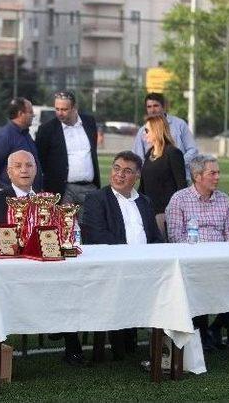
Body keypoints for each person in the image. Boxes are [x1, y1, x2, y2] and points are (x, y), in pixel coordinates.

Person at [83, 151, 162, 361]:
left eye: (127, 171)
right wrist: (133, 255)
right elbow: (97, 235)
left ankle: (165, 347)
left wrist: (153, 257)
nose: (119, 175)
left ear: (137, 176)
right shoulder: (96, 199)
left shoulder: (144, 201)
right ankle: (121, 337)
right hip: (113, 270)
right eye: (116, 168)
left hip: (146, 269)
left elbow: (155, 237)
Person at [165, 154, 229, 350]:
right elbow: (175, 237)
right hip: (192, 262)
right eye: (212, 173)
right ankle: (202, 335)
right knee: (197, 281)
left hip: (221, 260)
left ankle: (215, 329)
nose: (217, 177)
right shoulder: (179, 199)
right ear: (197, 176)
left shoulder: (224, 199)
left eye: (218, 173)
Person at [35, 90, 100, 222]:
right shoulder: (47, 130)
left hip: (90, 188)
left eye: (64, 109)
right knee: (64, 232)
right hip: (63, 190)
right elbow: (40, 160)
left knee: (90, 229)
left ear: (74, 108)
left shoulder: (89, 122)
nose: (60, 113)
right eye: (57, 109)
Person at [138, 113, 187, 238]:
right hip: (148, 213)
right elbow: (143, 185)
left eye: (147, 130)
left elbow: (182, 186)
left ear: (157, 130)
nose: (144, 133)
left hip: (166, 214)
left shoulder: (173, 153)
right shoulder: (149, 153)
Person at [132, 93, 198, 181]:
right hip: (154, 180)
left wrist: (177, 164)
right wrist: (152, 170)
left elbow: (193, 150)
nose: (152, 110)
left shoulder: (179, 125)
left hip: (179, 177)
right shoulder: (142, 131)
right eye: (149, 106)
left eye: (156, 106)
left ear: (164, 107)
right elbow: (138, 157)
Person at [0, 97, 42, 193]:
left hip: (29, 194)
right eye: (30, 112)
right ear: (20, 114)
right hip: (10, 196)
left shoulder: (26, 134)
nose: (33, 115)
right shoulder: (5, 136)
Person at [0, 150, 38, 243]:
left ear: (35, 170)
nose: (24, 170)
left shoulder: (45, 201)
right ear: (9, 172)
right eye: (18, 166)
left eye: (29, 165)